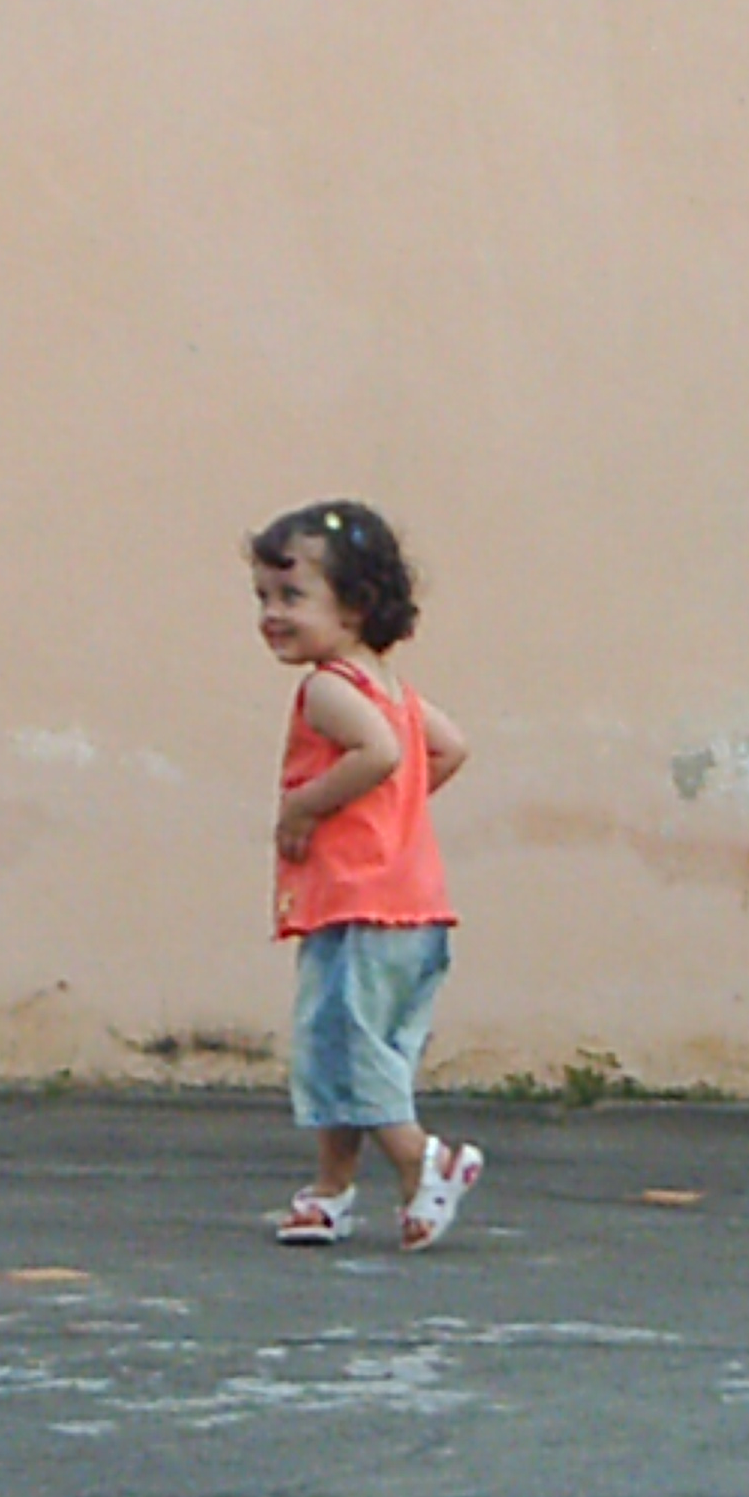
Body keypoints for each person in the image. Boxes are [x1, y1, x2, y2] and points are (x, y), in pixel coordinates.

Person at [250, 498, 483, 1251]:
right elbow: (446, 749)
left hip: (358, 906)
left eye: (291, 596)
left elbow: (378, 754)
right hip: (411, 906)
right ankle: (330, 1189)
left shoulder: (328, 688)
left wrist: (305, 807)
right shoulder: (394, 690)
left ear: (355, 606)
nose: (271, 615)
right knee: (355, 1047)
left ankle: (423, 1161)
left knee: (345, 1048)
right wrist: (390, 814)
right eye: (263, 597)